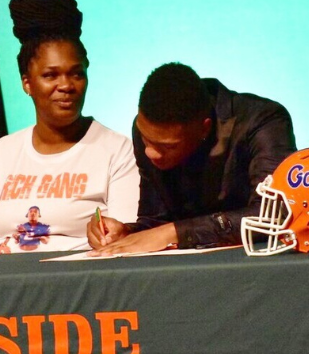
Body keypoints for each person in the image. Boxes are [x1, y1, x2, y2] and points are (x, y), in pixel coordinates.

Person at [0, 0, 139, 255]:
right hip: (0, 288)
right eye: (51, 75)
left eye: (76, 74)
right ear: (27, 83)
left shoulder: (117, 151)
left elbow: (124, 242)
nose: (66, 85)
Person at [87, 62, 297, 254]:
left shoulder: (262, 121)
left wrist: (176, 232)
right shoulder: (149, 130)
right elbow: (156, 220)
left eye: (167, 146)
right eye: (145, 139)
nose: (151, 152)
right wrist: (127, 232)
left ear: (204, 128)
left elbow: (276, 213)